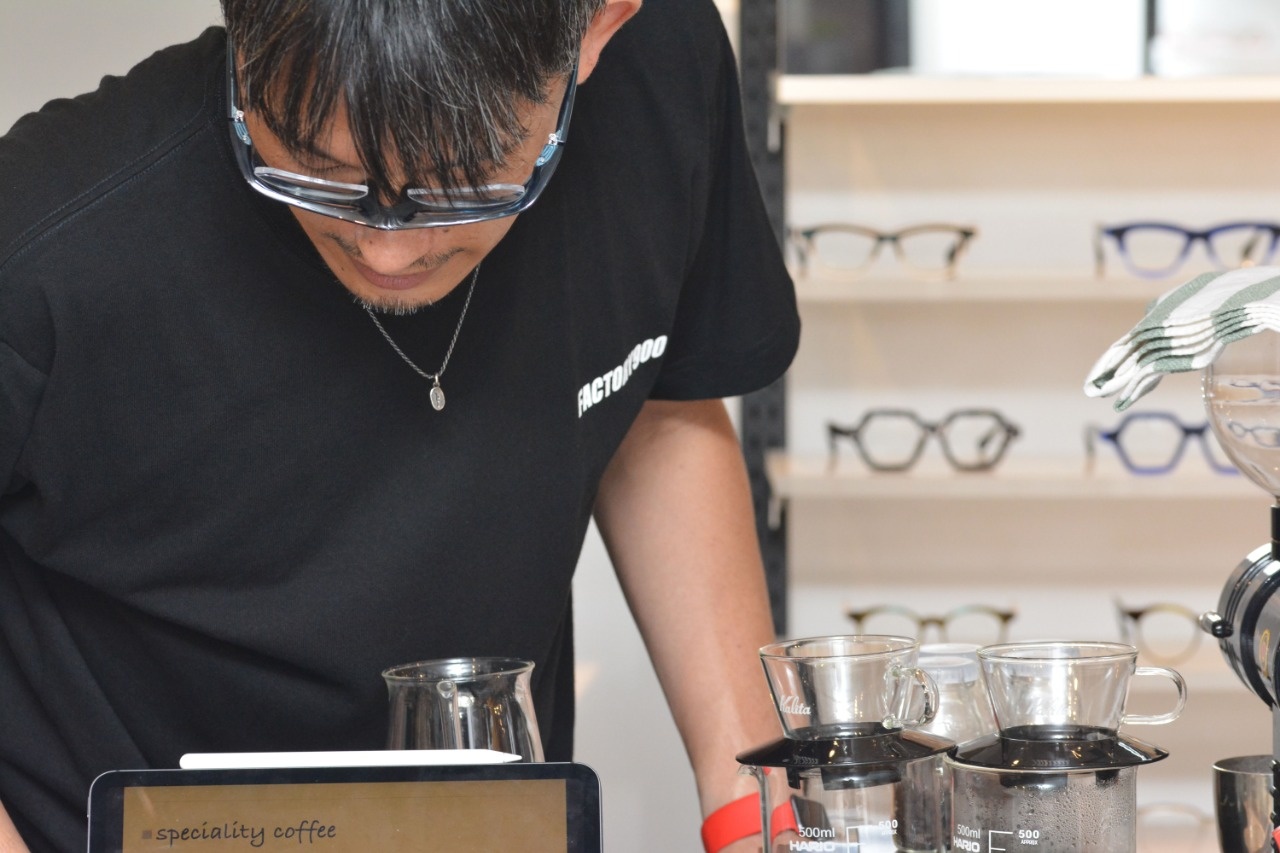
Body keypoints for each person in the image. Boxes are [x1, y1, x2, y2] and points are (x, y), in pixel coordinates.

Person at [0, 0, 799, 850]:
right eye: (318, 173)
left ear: (597, 30)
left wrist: (756, 812)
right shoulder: (47, 240)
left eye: (461, 185)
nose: (387, 252)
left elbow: (655, 404)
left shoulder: (659, 78)